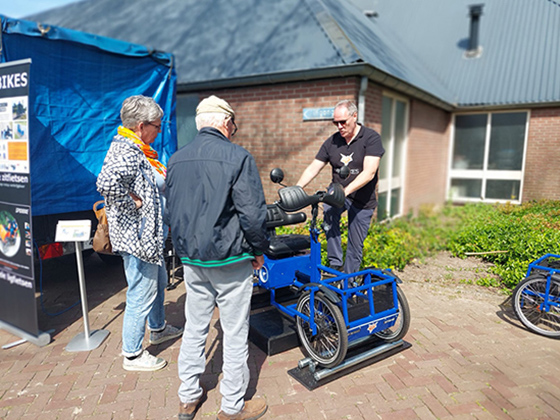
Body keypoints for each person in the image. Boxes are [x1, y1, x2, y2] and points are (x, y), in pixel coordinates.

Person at [165, 96, 269, 420]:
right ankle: (232, 406)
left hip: (193, 260)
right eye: (233, 125)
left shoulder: (176, 160)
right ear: (226, 123)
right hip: (229, 258)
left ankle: (188, 397)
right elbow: (252, 214)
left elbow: (173, 211)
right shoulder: (238, 157)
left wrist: (181, 251)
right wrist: (258, 250)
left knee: (195, 326)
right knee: (235, 331)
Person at [97, 95, 183, 372]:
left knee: (157, 283)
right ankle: (132, 355)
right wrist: (132, 202)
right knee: (141, 293)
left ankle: (158, 328)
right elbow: (106, 183)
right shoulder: (128, 151)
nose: (159, 132)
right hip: (138, 239)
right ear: (141, 125)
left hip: (148, 238)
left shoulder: (138, 149)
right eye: (157, 126)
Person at [296, 99, 384, 275]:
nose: (339, 126)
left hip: (362, 201)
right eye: (335, 122)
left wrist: (345, 192)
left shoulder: (371, 138)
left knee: (354, 245)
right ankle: (335, 263)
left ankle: (348, 283)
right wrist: (297, 188)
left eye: (343, 122)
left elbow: (369, 173)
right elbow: (315, 167)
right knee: (328, 209)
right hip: (337, 192)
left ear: (354, 116)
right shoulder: (332, 142)